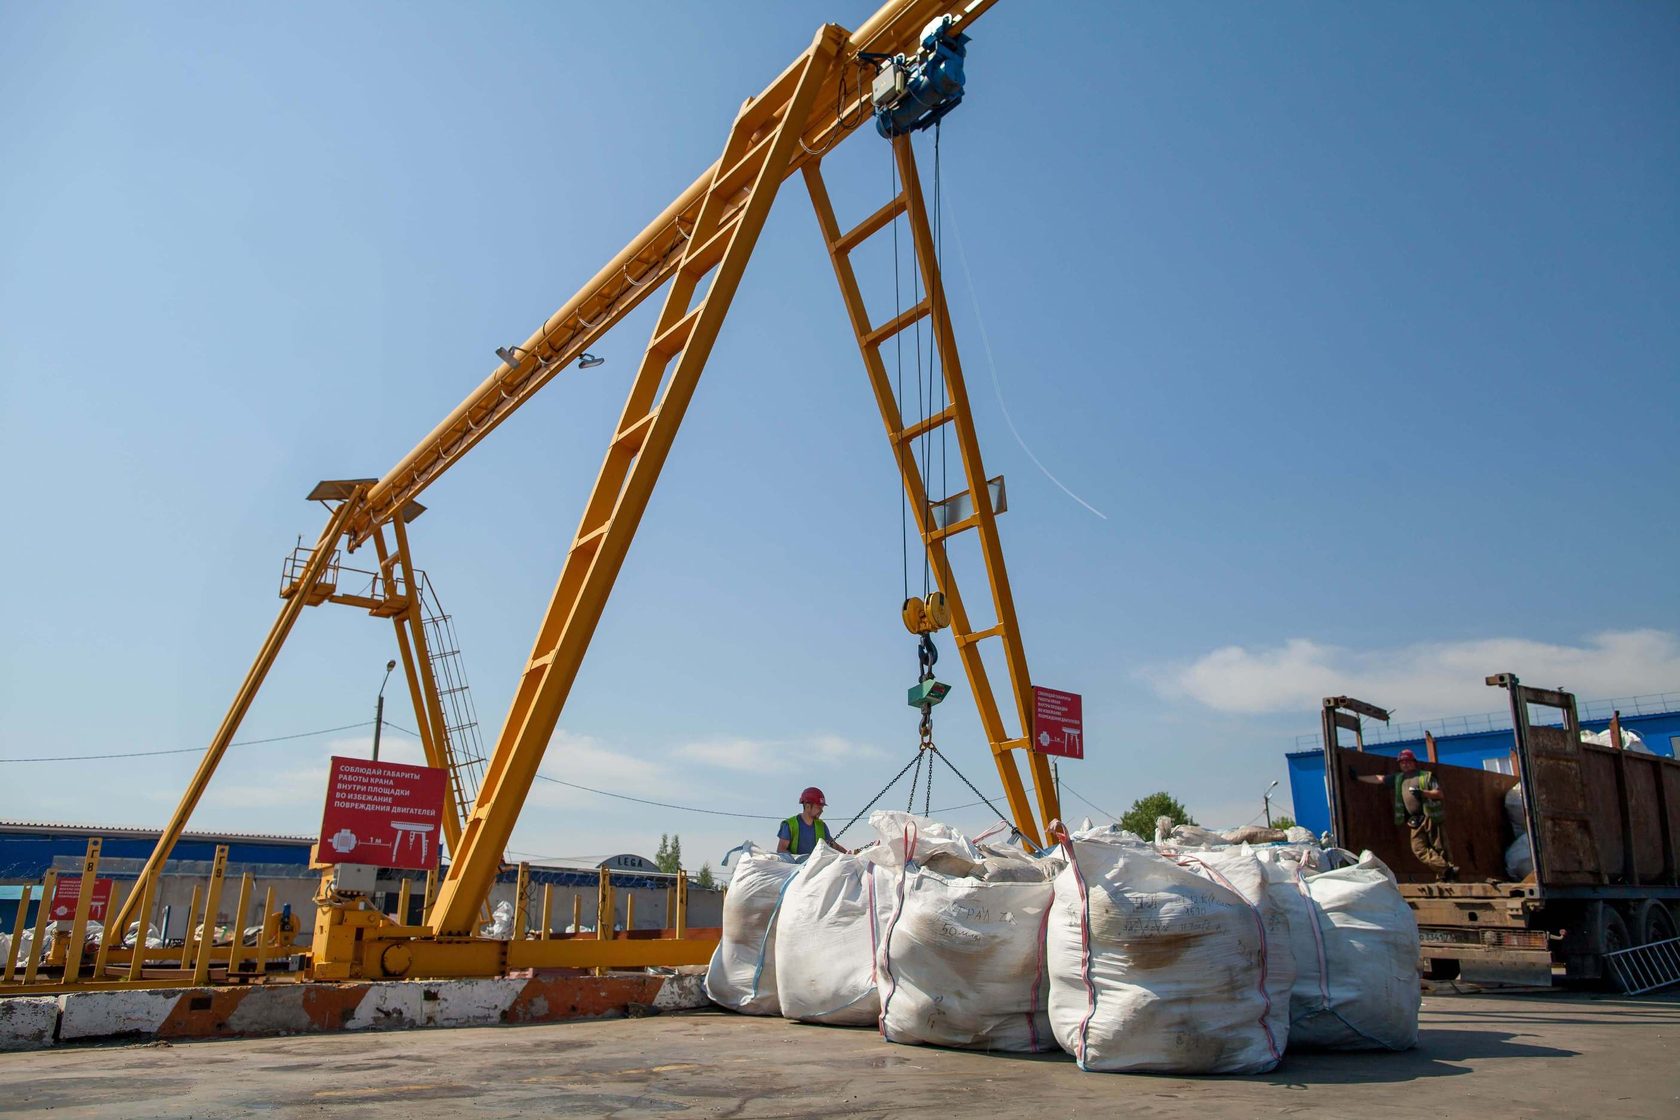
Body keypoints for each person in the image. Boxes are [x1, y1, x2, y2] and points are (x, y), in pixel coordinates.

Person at [1363, 749, 1457, 881]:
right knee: (1418, 848)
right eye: (1402, 762)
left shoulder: (1425, 776)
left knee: (1439, 847)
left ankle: (1445, 877)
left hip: (1430, 817)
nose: (1405, 764)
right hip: (1415, 820)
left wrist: (1423, 793)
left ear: (1414, 762)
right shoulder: (1399, 779)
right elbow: (1379, 778)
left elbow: (1439, 794)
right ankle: (1446, 869)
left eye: (1408, 761)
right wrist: (1357, 777)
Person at [777, 787, 847, 855]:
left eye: (822, 808)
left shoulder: (822, 826)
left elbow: (834, 846)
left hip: (815, 866)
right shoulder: (789, 825)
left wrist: (849, 855)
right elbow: (781, 850)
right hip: (795, 866)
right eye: (818, 807)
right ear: (807, 806)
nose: (821, 811)